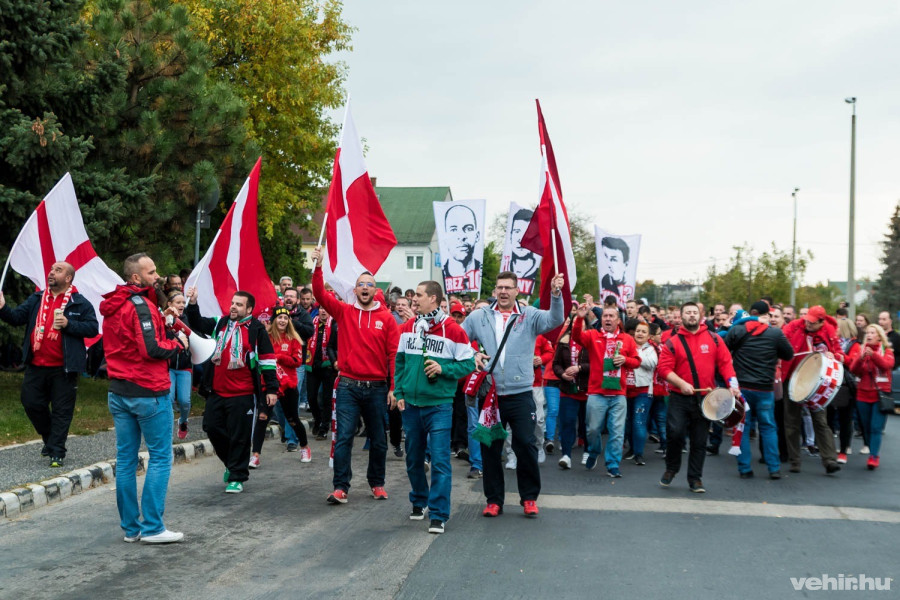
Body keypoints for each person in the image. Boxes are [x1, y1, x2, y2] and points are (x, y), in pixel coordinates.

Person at [462, 270, 564, 518]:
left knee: (526, 445)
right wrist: (472, 353)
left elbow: (555, 320)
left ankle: (529, 498)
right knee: (490, 447)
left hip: (520, 393)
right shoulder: (480, 316)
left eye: (509, 287)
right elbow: (459, 338)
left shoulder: (528, 315)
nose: (504, 291)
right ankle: (493, 500)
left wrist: (556, 294)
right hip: (491, 395)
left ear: (517, 290)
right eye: (500, 287)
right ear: (495, 290)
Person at [100, 253, 186, 543]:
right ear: (135, 278)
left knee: (126, 460)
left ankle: (132, 529)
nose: (157, 276)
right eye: (151, 272)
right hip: (148, 391)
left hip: (119, 390)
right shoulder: (140, 305)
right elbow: (150, 349)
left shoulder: (116, 304)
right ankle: (153, 528)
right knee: (160, 457)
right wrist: (175, 344)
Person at [310, 246, 400, 505]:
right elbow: (319, 294)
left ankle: (377, 483)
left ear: (375, 290)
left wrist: (393, 387)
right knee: (344, 437)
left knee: (378, 440)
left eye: (369, 285)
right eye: (360, 284)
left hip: (377, 388)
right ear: (355, 289)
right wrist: (318, 266)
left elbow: (394, 355)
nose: (364, 288)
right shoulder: (345, 312)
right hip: (348, 386)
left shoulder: (387, 319)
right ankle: (341, 488)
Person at [394, 281, 475, 534]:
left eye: (418, 295)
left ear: (434, 299)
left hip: (439, 406)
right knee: (414, 459)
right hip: (411, 406)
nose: (413, 300)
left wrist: (444, 369)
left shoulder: (453, 330)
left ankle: (438, 514)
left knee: (440, 461)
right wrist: (398, 392)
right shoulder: (408, 328)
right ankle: (420, 500)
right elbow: (399, 363)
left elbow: (468, 365)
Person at [0, 261, 98, 467]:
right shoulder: (37, 298)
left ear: (68, 278)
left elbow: (92, 328)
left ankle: (57, 452)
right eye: (52, 269)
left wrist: (69, 325)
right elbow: (17, 317)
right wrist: (2, 307)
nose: (52, 273)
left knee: (62, 410)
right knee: (31, 403)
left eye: (58, 270)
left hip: (64, 368)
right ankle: (51, 438)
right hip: (36, 365)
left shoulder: (78, 303)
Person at [184, 287, 279, 493]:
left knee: (240, 436)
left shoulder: (256, 329)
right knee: (211, 427)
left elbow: (267, 361)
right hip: (217, 391)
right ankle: (231, 462)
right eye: (233, 303)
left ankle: (237, 476)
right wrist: (193, 303)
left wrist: (271, 389)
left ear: (249, 308)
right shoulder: (221, 322)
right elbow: (198, 323)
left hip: (243, 393)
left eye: (239, 304)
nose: (233, 307)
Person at [657, 302, 740, 493]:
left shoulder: (714, 339)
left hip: (705, 399)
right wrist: (681, 384)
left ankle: (695, 479)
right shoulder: (672, 342)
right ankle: (672, 468)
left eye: (695, 312)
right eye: (688, 313)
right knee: (675, 434)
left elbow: (726, 363)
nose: (692, 315)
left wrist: (733, 386)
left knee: (699, 440)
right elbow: (663, 369)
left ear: (700, 315)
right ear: (681, 316)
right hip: (679, 397)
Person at [724, 301, 794, 479]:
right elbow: (788, 355)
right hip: (765, 389)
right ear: (767, 315)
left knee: (743, 428)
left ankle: (745, 468)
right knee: (768, 428)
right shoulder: (775, 333)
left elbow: (723, 353)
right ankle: (774, 468)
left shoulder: (737, 330)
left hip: (743, 388)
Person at [572, 303, 640, 477]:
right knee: (592, 430)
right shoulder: (593, 335)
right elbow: (576, 337)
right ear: (601, 319)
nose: (608, 319)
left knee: (617, 432)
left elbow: (637, 361)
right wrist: (580, 318)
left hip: (618, 395)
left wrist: (625, 360)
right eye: (605, 316)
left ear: (618, 320)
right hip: (597, 392)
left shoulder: (627, 339)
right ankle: (594, 451)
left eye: (611, 316)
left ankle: (612, 464)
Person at [781, 305, 843, 474]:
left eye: (813, 322)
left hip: (817, 382)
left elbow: (840, 355)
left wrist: (834, 356)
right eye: (807, 319)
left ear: (822, 322)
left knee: (820, 420)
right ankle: (795, 460)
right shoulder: (794, 326)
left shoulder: (829, 331)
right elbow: (781, 341)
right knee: (791, 421)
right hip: (793, 379)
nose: (808, 323)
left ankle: (829, 459)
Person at [249, 306, 311, 467]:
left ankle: (304, 447)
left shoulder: (294, 339)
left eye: (285, 318)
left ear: (289, 321)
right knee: (262, 418)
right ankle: (255, 455)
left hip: (288, 384)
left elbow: (297, 361)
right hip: (269, 384)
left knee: (292, 419)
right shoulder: (265, 337)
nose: (282, 320)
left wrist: (280, 357)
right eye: (279, 317)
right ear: (274, 320)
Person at [847, 324, 893, 470]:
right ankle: (871, 449)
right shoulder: (861, 350)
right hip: (863, 394)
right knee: (866, 426)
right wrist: (860, 358)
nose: (869, 335)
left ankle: (874, 456)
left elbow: (886, 365)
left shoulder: (886, 350)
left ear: (879, 336)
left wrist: (873, 355)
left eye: (873, 333)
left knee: (876, 427)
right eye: (868, 333)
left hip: (880, 395)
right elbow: (853, 369)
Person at [552, 315, 589, 469]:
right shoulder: (564, 341)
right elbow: (556, 364)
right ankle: (566, 455)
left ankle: (588, 451)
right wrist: (562, 374)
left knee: (587, 424)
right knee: (567, 423)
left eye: (580, 323)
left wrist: (580, 368)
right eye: (573, 323)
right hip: (568, 390)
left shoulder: (591, 341)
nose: (576, 326)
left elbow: (598, 364)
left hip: (587, 390)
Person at [624, 320, 657, 466]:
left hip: (643, 391)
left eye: (644, 332)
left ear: (649, 335)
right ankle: (632, 449)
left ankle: (639, 454)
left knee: (639, 422)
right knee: (628, 422)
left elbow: (652, 363)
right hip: (625, 390)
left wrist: (634, 356)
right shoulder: (626, 345)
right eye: (638, 331)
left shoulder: (651, 349)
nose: (640, 334)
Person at [306, 305, 338, 440]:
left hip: (329, 366)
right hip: (312, 364)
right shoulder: (311, 322)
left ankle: (324, 428)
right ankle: (317, 419)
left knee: (326, 399)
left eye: (326, 308)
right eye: (321, 308)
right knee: (311, 397)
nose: (323, 311)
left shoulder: (335, 324)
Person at [165, 290, 193, 440]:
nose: (182, 305)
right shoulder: (164, 321)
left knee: (184, 400)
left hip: (184, 366)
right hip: (168, 366)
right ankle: (168, 427)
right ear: (170, 305)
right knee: (168, 398)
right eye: (178, 302)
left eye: (183, 302)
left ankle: (183, 421)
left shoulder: (188, 319)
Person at [441, 204, 481, 293]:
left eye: (469, 228)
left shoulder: (483, 276)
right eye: (454, 229)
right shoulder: (439, 277)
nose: (461, 236)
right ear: (445, 237)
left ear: (477, 236)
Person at [504, 208, 540, 286]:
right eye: (517, 231)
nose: (520, 240)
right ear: (510, 235)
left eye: (526, 233)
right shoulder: (505, 269)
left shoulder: (539, 275)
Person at [599, 236, 632, 309]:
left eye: (613, 259)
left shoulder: (628, 288)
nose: (608, 264)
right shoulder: (604, 281)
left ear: (625, 264)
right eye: (606, 257)